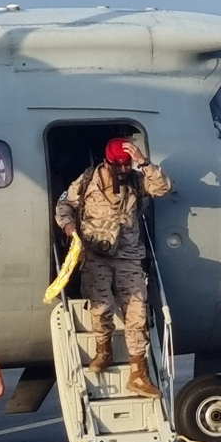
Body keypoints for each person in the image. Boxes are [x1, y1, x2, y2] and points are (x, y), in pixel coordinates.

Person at [55, 138, 172, 398]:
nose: (124, 171)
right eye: (119, 166)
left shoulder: (136, 180)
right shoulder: (87, 181)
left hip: (128, 256)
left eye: (128, 165)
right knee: (102, 306)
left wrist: (144, 162)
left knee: (137, 312)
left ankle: (138, 373)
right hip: (96, 254)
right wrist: (68, 226)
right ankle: (103, 350)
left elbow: (163, 188)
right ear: (107, 162)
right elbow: (64, 204)